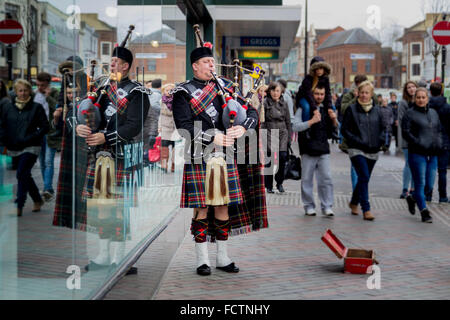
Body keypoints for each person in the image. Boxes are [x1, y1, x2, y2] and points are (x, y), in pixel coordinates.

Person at [172, 43, 267, 276]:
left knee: (223, 206)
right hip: (198, 155)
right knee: (201, 208)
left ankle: (223, 257)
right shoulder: (182, 92)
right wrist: (212, 136)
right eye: (206, 62)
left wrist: (243, 129)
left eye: (212, 62)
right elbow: (183, 127)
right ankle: (201, 260)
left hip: (225, 157)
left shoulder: (225, 87)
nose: (211, 65)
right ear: (195, 66)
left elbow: (251, 112)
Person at [76, 42, 151, 271]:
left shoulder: (137, 93)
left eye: (115, 62)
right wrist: (78, 126)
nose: (111, 65)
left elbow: (133, 126)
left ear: (126, 66)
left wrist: (105, 137)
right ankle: (103, 255)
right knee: (101, 207)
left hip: (120, 157)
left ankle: (120, 258)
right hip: (99, 158)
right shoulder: (100, 89)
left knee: (118, 208)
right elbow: (80, 112)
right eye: (110, 63)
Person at [0, 79, 49, 216]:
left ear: (30, 91)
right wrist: (3, 144)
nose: (22, 93)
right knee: (25, 174)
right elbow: (3, 127)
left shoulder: (36, 107)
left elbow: (45, 127)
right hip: (13, 146)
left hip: (31, 146)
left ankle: (19, 204)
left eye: (25, 90)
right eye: (20, 91)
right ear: (15, 92)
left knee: (21, 173)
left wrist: (32, 137)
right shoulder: (8, 108)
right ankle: (37, 199)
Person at [341, 81, 388, 221]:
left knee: (363, 178)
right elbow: (344, 129)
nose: (364, 95)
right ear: (357, 93)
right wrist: (355, 140)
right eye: (361, 92)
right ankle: (366, 209)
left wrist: (380, 142)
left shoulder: (377, 110)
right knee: (364, 176)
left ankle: (354, 202)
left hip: (373, 149)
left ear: (371, 94)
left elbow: (383, 128)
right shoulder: (352, 109)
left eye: (367, 93)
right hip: (356, 149)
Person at [292, 84, 339, 217]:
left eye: (322, 94)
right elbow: (295, 126)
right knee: (307, 179)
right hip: (307, 148)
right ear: (312, 95)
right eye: (317, 94)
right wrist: (311, 121)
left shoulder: (327, 109)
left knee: (326, 178)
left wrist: (334, 120)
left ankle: (327, 206)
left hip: (323, 147)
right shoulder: (304, 109)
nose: (319, 97)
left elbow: (336, 129)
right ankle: (308, 206)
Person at [402, 88, 442, 223]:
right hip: (417, 153)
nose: (420, 100)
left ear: (427, 99)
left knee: (429, 186)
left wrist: (440, 143)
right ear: (415, 99)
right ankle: (424, 212)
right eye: (418, 97)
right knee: (420, 183)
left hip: (433, 154)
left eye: (423, 97)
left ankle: (412, 198)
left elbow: (439, 130)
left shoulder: (434, 113)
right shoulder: (409, 113)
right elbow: (405, 132)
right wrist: (418, 142)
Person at [34, 72, 61, 201]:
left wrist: (48, 95)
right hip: (38, 132)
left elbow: (57, 108)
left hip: (50, 132)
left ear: (48, 84)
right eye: (38, 85)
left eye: (42, 85)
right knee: (42, 161)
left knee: (49, 161)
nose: (40, 87)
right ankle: (47, 187)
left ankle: (47, 188)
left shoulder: (55, 92)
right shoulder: (34, 94)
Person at [339, 75, 368, 192]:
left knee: (365, 167)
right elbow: (343, 110)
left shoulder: (370, 95)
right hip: (354, 137)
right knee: (355, 165)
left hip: (367, 137)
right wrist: (355, 99)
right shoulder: (349, 95)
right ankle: (357, 192)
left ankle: (361, 190)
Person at [264, 82, 292, 194]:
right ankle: (269, 186)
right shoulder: (265, 103)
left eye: (277, 91)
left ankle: (279, 183)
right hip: (269, 131)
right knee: (269, 160)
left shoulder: (284, 104)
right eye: (273, 90)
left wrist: (289, 137)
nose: (275, 93)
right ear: (269, 91)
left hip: (282, 132)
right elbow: (260, 120)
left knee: (282, 157)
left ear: (281, 92)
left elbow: (288, 121)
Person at [427, 82, 450, 203]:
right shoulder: (447, 107)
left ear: (430, 92)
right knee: (442, 170)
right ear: (441, 91)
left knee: (429, 168)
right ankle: (443, 196)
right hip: (444, 141)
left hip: (429, 141)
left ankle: (428, 194)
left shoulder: (427, 106)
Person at [295, 56, 332, 123]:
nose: (319, 71)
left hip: (275, 129)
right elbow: (308, 94)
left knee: (332, 108)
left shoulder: (325, 79)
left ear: (324, 69)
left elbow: (328, 93)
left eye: (321, 68)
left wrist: (329, 107)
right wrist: (314, 108)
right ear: (314, 70)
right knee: (306, 108)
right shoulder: (308, 79)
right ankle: (306, 127)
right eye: (317, 69)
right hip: (304, 97)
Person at [398, 81, 418, 200]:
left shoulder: (420, 101)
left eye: (413, 87)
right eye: (409, 87)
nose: (411, 89)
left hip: (419, 139)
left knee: (417, 165)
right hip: (407, 139)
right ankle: (405, 189)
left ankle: (414, 189)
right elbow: (401, 121)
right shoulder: (403, 103)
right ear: (406, 90)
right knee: (409, 164)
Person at [158, 83, 179, 172]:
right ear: (164, 91)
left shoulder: (178, 101)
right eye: (167, 90)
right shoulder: (161, 101)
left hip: (175, 127)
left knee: (175, 147)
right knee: (164, 146)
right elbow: (159, 116)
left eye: (171, 90)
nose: (169, 92)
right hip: (165, 126)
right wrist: (159, 127)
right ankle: (164, 164)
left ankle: (173, 164)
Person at [143, 79, 162, 152]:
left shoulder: (146, 93)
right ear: (160, 86)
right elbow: (154, 108)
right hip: (153, 123)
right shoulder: (157, 95)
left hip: (144, 124)